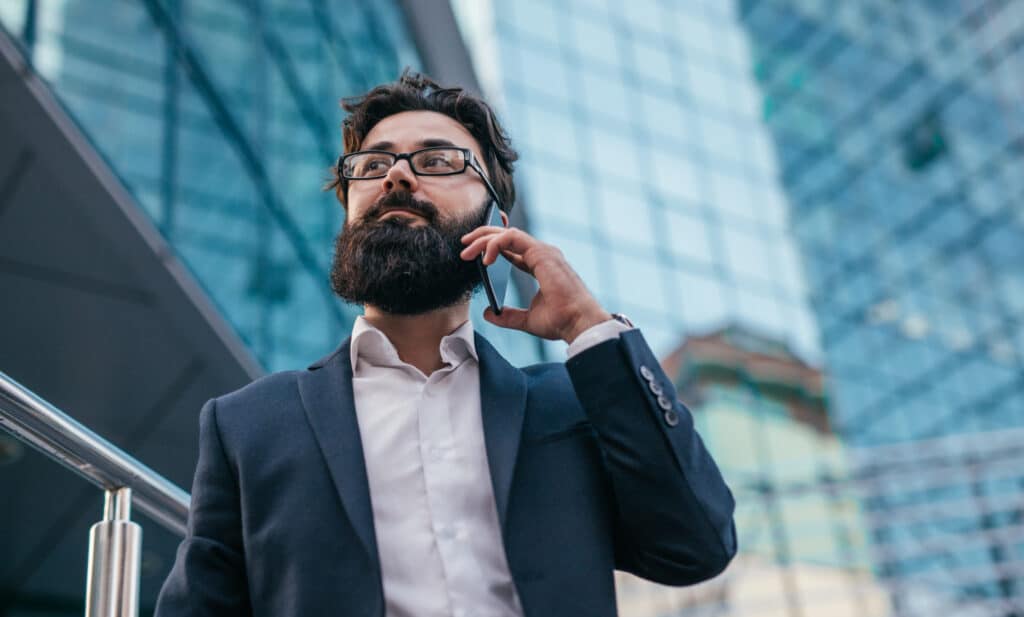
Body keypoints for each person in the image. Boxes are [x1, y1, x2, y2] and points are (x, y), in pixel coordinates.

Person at [154, 71, 736, 617]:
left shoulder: (570, 402)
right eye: (373, 164)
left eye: (436, 160)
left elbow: (698, 544)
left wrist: (589, 326)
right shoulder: (248, 425)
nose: (396, 176)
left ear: (496, 223)